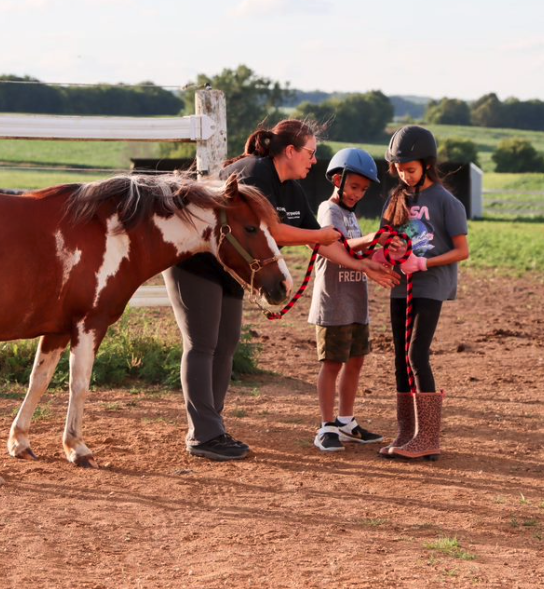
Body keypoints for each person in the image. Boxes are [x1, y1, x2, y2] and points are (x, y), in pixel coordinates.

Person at [164, 120, 398, 461]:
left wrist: (363, 266)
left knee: (226, 343)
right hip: (196, 261)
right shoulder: (254, 173)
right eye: (311, 152)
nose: (314, 160)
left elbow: (319, 242)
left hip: (234, 267)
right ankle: (203, 435)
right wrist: (320, 236)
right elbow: (271, 231)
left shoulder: (291, 187)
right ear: (290, 151)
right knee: (202, 344)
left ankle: (212, 425)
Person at [377, 125, 469, 460]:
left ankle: (428, 436)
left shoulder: (447, 202)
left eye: (410, 169)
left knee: (417, 354)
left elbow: (462, 251)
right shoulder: (396, 198)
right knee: (400, 358)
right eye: (399, 169)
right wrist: (387, 255)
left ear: (427, 165)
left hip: (430, 285)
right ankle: (407, 431)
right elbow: (383, 238)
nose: (404, 174)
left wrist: (424, 264)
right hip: (400, 286)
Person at [308, 148, 388, 453]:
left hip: (356, 303)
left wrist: (383, 253)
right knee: (332, 365)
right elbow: (340, 244)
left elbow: (360, 251)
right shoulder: (329, 211)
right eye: (354, 187)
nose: (358, 194)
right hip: (334, 303)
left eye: (364, 190)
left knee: (355, 363)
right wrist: (371, 238)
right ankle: (326, 426)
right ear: (338, 180)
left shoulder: (351, 215)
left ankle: (346, 423)